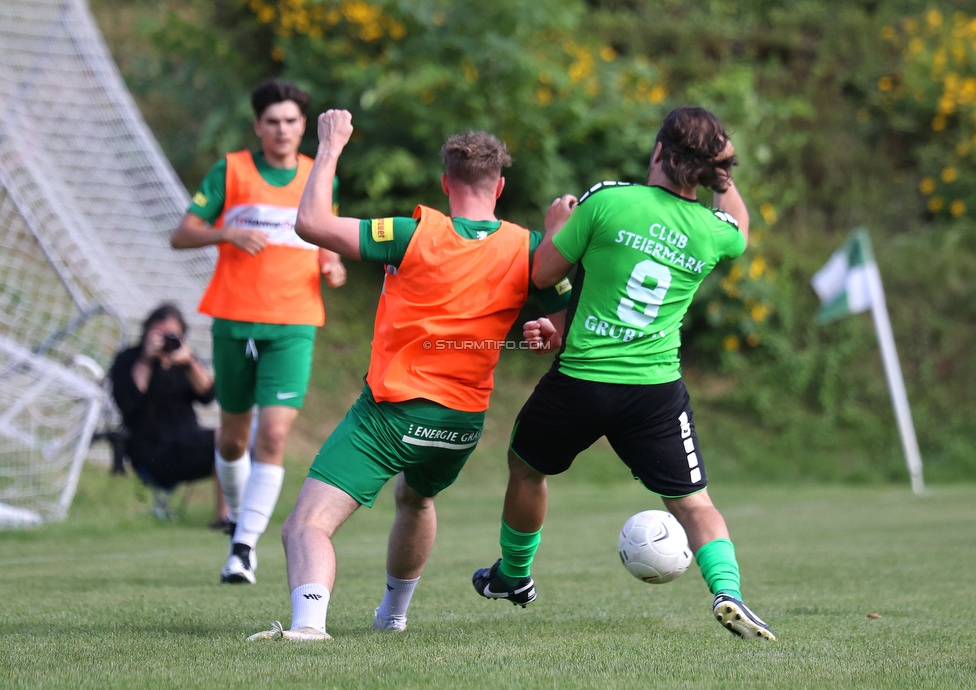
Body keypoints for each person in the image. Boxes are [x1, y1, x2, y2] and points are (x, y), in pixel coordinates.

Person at [246, 109, 572, 641]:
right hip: (461, 425)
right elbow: (570, 303)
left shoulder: (413, 233)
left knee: (307, 523)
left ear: (446, 183)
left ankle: (308, 627)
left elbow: (311, 225)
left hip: (391, 414)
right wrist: (550, 327)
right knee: (417, 499)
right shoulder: (527, 247)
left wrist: (329, 145)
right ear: (501, 186)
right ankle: (393, 616)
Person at [471, 106, 776, 641]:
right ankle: (729, 593)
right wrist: (723, 181)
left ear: (659, 151)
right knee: (694, 503)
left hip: (582, 381)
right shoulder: (713, 232)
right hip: (654, 391)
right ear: (709, 170)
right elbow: (740, 228)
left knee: (524, 468)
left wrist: (556, 228)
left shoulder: (609, 200)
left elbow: (542, 273)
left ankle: (513, 576)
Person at [170, 78, 347, 585]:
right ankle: (237, 524)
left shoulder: (320, 176)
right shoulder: (233, 170)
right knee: (231, 440)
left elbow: (325, 241)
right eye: (273, 121)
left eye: (292, 121)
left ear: (301, 127)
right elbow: (181, 233)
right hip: (233, 320)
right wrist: (225, 231)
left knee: (271, 433)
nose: (283, 130)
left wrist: (332, 265)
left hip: (294, 322)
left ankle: (244, 546)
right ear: (258, 126)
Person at [109, 303, 228, 525]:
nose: (165, 340)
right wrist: (146, 359)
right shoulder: (129, 359)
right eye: (159, 334)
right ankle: (227, 516)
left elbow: (208, 395)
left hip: (189, 444)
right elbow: (127, 400)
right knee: (224, 438)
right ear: (146, 332)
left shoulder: (184, 363)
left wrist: (188, 362)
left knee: (232, 439)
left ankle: (227, 516)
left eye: (171, 335)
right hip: (151, 451)